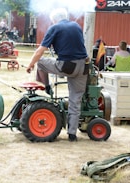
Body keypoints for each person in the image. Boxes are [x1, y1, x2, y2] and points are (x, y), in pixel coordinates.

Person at [26, 8, 88, 142]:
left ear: (54, 19)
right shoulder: (76, 26)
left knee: (41, 62)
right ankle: (72, 134)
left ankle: (47, 86)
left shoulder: (54, 28)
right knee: (75, 100)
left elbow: (39, 52)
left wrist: (30, 65)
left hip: (67, 65)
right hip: (83, 66)